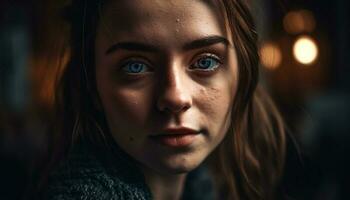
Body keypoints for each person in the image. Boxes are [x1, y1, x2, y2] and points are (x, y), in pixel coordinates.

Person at [36, 0, 286, 199]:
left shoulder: (204, 185)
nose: (175, 97)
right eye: (135, 66)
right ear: (91, 83)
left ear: (242, 74)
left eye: (205, 62)